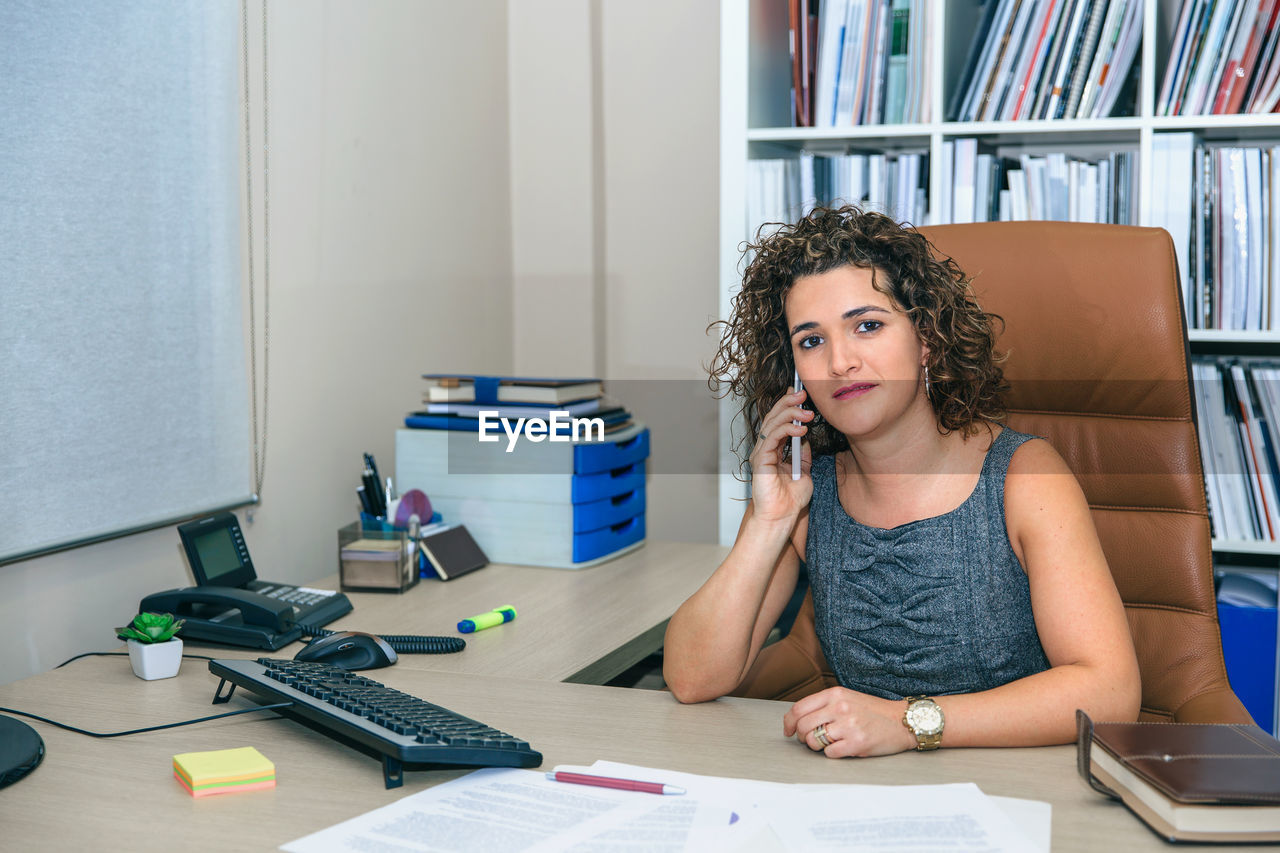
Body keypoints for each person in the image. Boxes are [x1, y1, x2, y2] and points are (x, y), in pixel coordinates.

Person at [663, 205, 1140, 757]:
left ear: (927, 342)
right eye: (811, 341)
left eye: (867, 325)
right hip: (862, 795)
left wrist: (908, 723)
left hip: (1015, 791)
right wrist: (769, 521)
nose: (840, 362)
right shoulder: (806, 491)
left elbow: (1109, 691)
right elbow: (691, 679)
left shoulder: (1023, 478)